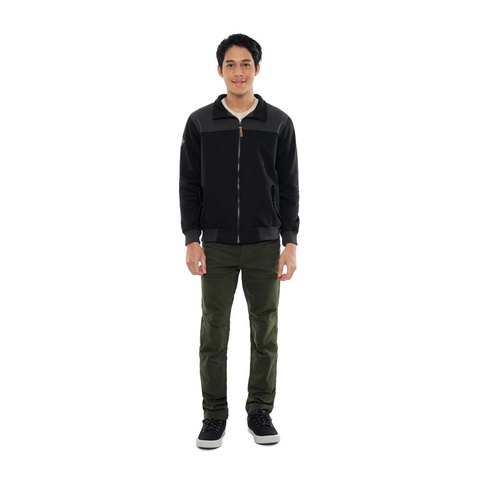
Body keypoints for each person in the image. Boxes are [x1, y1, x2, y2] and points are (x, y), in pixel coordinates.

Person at [179, 33, 300, 449]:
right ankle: (214, 415)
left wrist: (290, 242)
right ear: (219, 70)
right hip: (215, 245)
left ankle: (259, 410)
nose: (238, 72)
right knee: (213, 331)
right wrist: (191, 239)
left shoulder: (278, 123)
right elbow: (189, 184)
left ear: (257, 69)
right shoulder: (200, 122)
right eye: (230, 64)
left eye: (245, 63)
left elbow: (289, 186)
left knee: (265, 330)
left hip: (265, 243)